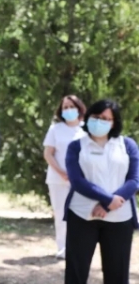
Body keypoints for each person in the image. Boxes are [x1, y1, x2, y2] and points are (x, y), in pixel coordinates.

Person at [60, 99, 138, 284]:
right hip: (82, 214)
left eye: (106, 118)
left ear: (114, 122)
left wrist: (110, 203)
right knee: (76, 269)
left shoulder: (127, 145)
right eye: (96, 116)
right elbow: (77, 180)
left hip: (120, 217)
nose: (100, 122)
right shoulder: (76, 145)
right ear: (88, 117)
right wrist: (106, 199)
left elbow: (134, 180)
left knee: (117, 272)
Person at [43, 95, 86, 260]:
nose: (68, 110)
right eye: (65, 107)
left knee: (80, 214)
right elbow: (48, 153)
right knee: (61, 213)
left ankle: (79, 247)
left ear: (79, 108)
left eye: (71, 106)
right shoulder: (55, 129)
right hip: (58, 179)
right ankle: (63, 248)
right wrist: (61, 172)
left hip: (81, 180)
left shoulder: (86, 128)